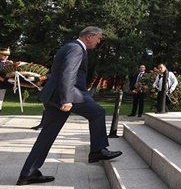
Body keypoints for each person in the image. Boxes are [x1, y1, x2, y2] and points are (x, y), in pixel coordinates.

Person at [16, 26, 122, 186]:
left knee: (47, 135)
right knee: (98, 113)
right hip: (66, 94)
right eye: (98, 38)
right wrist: (66, 99)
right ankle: (97, 151)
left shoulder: (70, 46)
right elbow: (68, 73)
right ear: (89, 36)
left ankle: (28, 173)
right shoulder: (76, 49)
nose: (99, 41)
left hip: (55, 95)